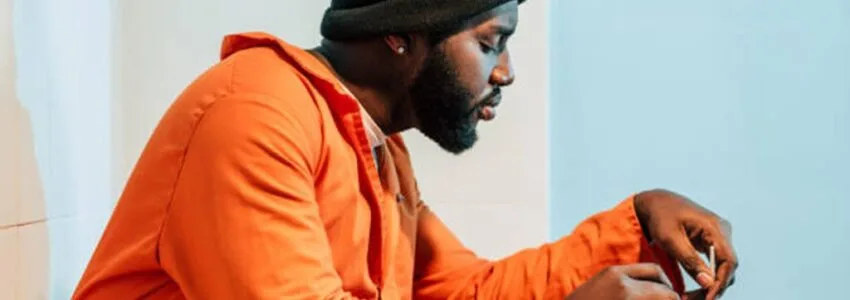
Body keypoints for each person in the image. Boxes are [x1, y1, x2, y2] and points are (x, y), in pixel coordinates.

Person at [73, 0, 738, 299]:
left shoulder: (370, 147)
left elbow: (468, 291)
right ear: (402, 35)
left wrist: (639, 222)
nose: (504, 72)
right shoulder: (256, 115)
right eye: (489, 42)